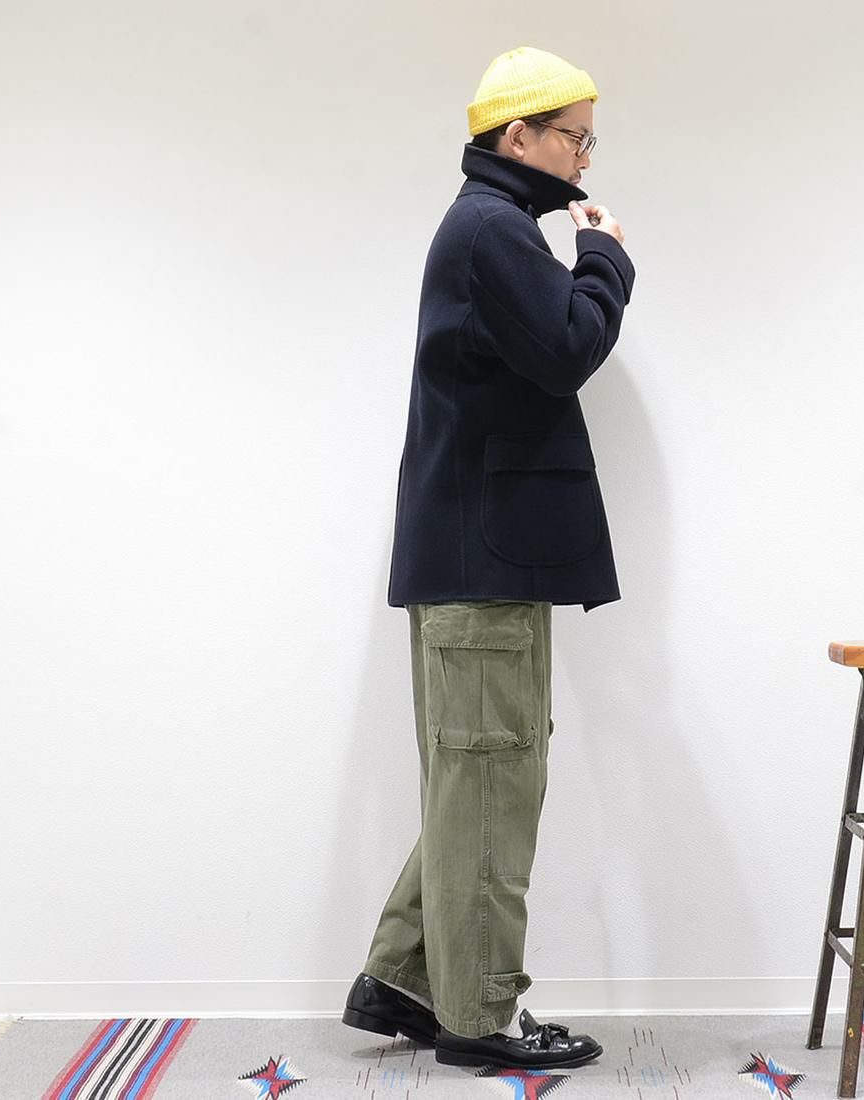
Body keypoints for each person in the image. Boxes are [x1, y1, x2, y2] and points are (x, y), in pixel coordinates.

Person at [342, 44, 637, 1070]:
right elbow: (567, 349)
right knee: (493, 785)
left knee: (478, 782)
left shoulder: (490, 226)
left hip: (479, 561)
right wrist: (604, 258)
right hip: (484, 565)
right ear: (518, 136)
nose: (585, 158)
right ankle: (481, 1016)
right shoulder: (495, 230)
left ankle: (406, 975)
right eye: (574, 138)